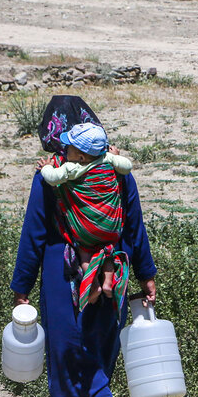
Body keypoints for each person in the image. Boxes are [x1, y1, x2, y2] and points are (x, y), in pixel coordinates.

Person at [11, 96, 157, 397]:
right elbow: (134, 224)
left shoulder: (52, 175)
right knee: (99, 343)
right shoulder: (116, 170)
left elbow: (35, 231)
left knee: (69, 351)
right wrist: (146, 274)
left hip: (65, 273)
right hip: (114, 270)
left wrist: (22, 285)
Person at [35, 122, 135, 307]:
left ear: (80, 157)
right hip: (111, 226)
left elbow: (52, 178)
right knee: (107, 249)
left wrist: (47, 167)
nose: (65, 150)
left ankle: (93, 284)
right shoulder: (108, 160)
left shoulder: (72, 168)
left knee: (85, 251)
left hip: (87, 230)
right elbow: (127, 166)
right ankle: (108, 282)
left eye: (69, 147)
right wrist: (116, 156)